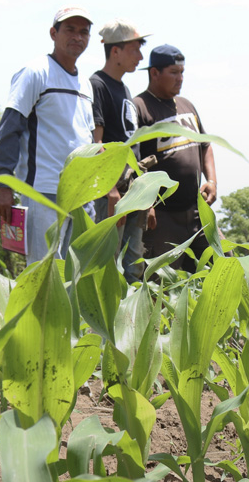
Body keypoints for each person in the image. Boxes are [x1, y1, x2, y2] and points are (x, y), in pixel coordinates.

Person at [0, 6, 95, 265]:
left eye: (84, 32)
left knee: (77, 275)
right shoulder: (35, 72)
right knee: (44, 272)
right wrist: (4, 185)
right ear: (53, 33)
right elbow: (10, 128)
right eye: (70, 29)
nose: (77, 37)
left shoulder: (86, 85)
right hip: (43, 191)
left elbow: (87, 138)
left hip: (81, 194)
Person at [133, 44, 217, 273]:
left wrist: (211, 181)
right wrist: (146, 203)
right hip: (162, 217)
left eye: (182, 72)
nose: (180, 78)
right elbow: (134, 162)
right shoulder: (139, 107)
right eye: (174, 72)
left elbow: (205, 146)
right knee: (163, 284)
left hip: (198, 211)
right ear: (154, 73)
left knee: (223, 268)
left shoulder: (186, 105)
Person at [90, 18, 148, 283]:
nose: (140, 56)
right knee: (107, 262)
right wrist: (110, 188)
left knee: (135, 263)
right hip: (113, 193)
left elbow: (130, 144)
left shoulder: (124, 88)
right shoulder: (97, 85)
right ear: (116, 51)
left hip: (133, 189)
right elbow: (97, 143)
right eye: (135, 49)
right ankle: (100, 323)